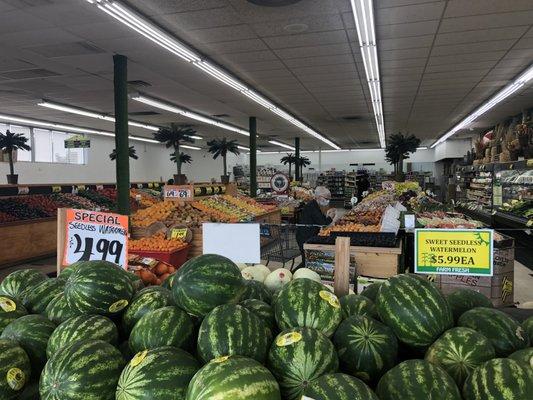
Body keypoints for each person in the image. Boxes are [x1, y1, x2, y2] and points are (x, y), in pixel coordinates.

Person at [295, 186, 337, 270]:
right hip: (304, 236)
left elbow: (319, 219)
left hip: (307, 235)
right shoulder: (312, 207)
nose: (328, 201)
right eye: (326, 198)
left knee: (307, 259)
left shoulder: (315, 205)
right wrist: (331, 217)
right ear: (319, 197)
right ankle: (296, 273)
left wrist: (327, 216)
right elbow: (322, 222)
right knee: (306, 260)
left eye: (329, 199)